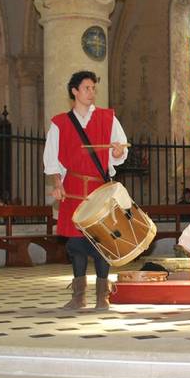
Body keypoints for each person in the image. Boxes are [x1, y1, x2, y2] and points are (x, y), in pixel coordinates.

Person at [44, 70, 128, 310]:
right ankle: (78, 296)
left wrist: (118, 151)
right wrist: (57, 184)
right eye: (87, 88)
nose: (92, 93)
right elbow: (52, 158)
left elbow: (119, 151)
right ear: (75, 91)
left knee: (103, 242)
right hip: (72, 187)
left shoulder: (107, 117)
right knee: (75, 243)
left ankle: (103, 296)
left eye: (93, 88)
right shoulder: (60, 122)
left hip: (99, 188)